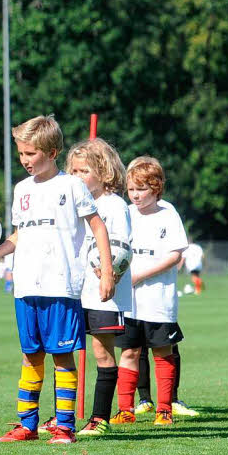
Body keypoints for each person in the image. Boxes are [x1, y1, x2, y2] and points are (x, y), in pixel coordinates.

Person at [0, 115, 114, 444]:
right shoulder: (21, 190)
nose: (24, 161)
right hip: (26, 287)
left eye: (30, 154)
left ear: (52, 152)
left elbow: (98, 227)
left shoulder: (71, 186)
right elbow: (19, 236)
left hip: (60, 287)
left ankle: (64, 426)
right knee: (30, 355)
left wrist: (107, 271)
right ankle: (27, 425)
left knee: (62, 356)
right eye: (21, 154)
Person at [60, 138, 133, 437]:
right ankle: (61, 417)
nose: (77, 177)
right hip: (76, 291)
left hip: (105, 294)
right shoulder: (77, 206)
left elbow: (122, 249)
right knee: (64, 352)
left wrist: (108, 272)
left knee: (103, 356)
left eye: (84, 171)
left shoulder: (113, 206)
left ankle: (99, 418)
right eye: (73, 171)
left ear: (104, 173)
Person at [110, 156, 189, 426]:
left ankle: (165, 409)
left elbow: (174, 255)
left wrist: (140, 274)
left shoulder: (168, 214)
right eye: (131, 189)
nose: (135, 195)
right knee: (129, 352)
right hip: (129, 302)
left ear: (155, 188)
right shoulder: (125, 214)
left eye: (141, 189)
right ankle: (125, 409)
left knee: (162, 353)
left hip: (158, 301)